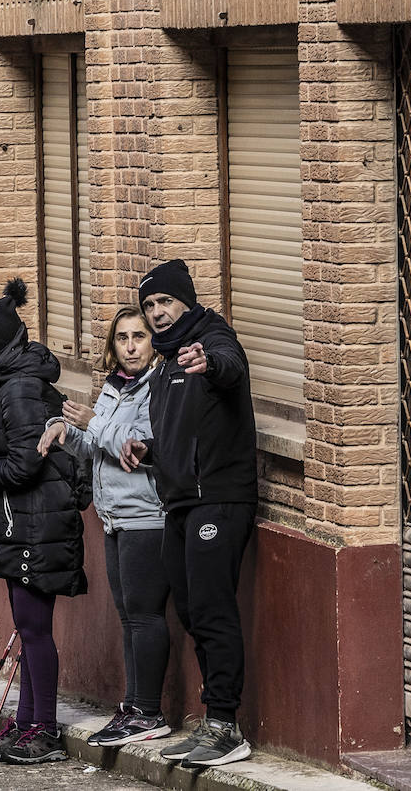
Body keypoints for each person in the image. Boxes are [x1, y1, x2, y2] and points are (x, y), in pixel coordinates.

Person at [119, 259, 257, 767]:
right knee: (191, 609)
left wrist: (212, 362)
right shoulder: (167, 360)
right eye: (149, 305)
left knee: (213, 607)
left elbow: (229, 367)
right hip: (180, 500)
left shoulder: (211, 340)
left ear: (187, 302)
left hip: (218, 498)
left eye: (165, 303)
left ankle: (225, 726)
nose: (156, 313)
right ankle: (212, 722)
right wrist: (148, 450)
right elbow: (184, 431)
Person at [0, 279, 86, 765]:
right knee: (29, 627)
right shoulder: (13, 385)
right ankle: (27, 721)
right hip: (23, 523)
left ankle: (44, 730)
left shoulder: (22, 390)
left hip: (36, 524)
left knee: (34, 629)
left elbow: (25, 464)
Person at [39, 306, 172, 748]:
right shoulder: (116, 387)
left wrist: (90, 422)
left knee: (145, 615)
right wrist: (66, 431)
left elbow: (135, 446)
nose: (131, 345)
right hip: (114, 515)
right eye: (122, 338)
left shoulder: (161, 387)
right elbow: (101, 447)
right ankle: (133, 707)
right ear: (112, 345)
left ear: (153, 342)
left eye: (140, 336)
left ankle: (150, 710)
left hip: (146, 516)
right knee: (128, 616)